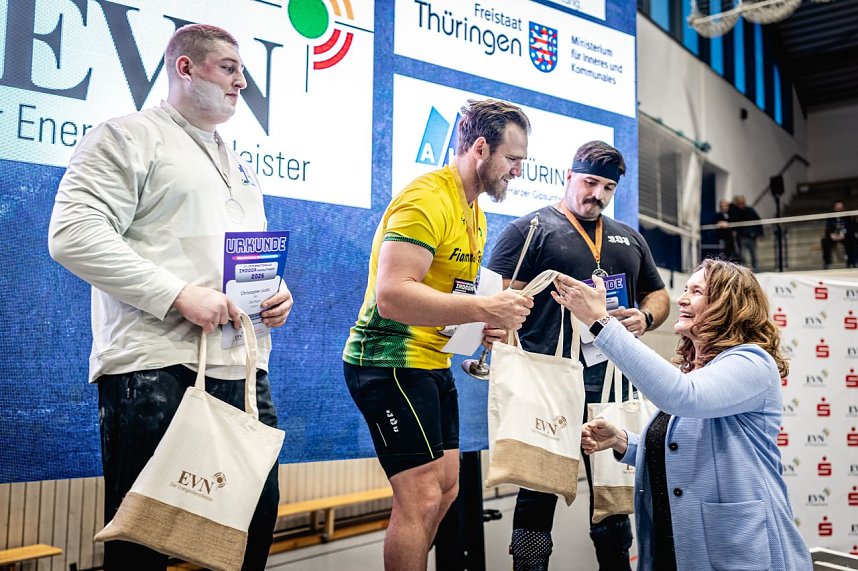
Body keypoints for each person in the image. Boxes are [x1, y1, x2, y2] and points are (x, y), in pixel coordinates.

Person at [48, 24, 293, 571]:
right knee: (144, 545)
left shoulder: (239, 164)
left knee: (255, 522)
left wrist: (275, 292)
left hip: (242, 365)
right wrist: (177, 293)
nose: (241, 81)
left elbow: (240, 255)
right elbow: (73, 234)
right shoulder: (126, 136)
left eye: (241, 70)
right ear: (185, 68)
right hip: (153, 365)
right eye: (228, 68)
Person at [342, 99, 535, 571]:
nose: (517, 173)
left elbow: (447, 299)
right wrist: (485, 306)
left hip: (429, 361)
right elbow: (393, 296)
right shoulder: (428, 197)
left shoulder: (475, 212)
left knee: (447, 489)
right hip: (386, 360)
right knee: (422, 495)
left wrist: (482, 324)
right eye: (512, 160)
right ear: (480, 148)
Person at [554, 258, 812, 571]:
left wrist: (601, 321)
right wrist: (623, 442)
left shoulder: (752, 363)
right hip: (675, 547)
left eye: (697, 291)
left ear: (728, 305)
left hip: (737, 552)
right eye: (685, 289)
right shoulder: (696, 371)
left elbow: (680, 396)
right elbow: (686, 452)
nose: (683, 299)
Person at [488, 141, 670, 571]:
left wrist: (645, 317)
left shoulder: (629, 237)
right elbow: (496, 298)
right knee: (536, 492)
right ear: (569, 176)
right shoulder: (530, 229)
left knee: (613, 501)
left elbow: (659, 294)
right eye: (590, 182)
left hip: (610, 383)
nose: (598, 195)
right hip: (548, 381)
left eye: (608, 187)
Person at [729, 195, 763, 271]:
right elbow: (732, 221)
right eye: (739, 203)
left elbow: (758, 221)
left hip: (751, 236)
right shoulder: (734, 211)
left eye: (743, 202)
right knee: (742, 256)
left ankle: (757, 271)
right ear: (737, 203)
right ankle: (745, 271)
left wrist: (760, 233)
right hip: (742, 237)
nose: (741, 204)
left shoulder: (750, 210)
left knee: (754, 255)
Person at [821, 199, 857, 269]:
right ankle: (828, 263)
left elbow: (852, 227)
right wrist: (831, 234)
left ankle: (851, 262)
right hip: (834, 237)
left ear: (843, 208)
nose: (839, 210)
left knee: (852, 240)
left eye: (841, 208)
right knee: (825, 241)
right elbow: (828, 228)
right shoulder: (831, 217)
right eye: (838, 208)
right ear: (834, 208)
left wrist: (844, 233)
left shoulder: (848, 216)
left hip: (845, 236)